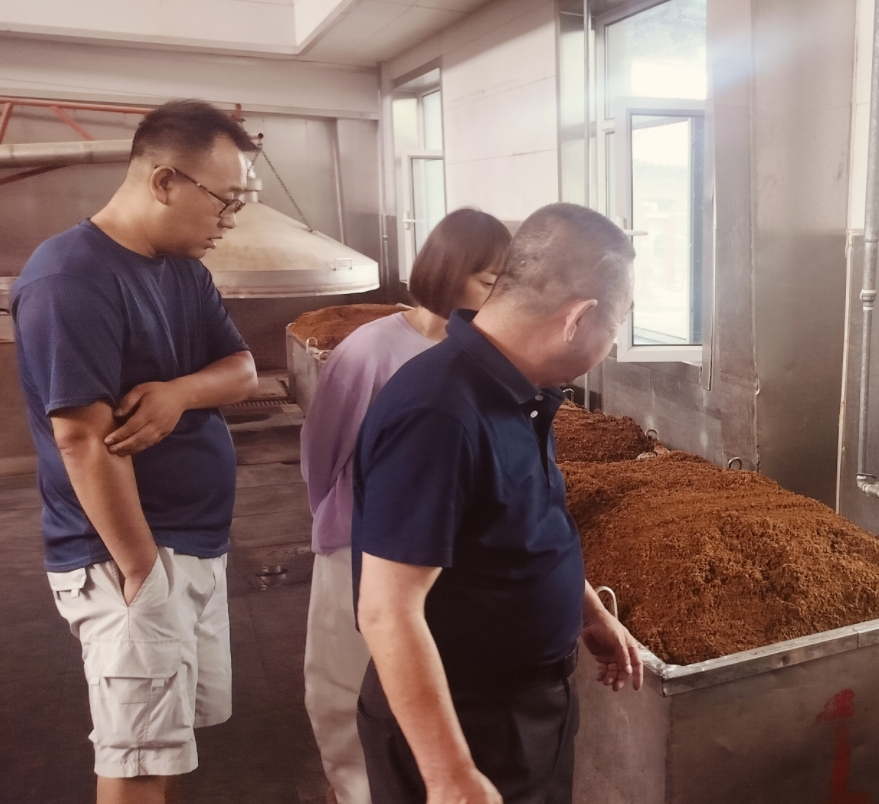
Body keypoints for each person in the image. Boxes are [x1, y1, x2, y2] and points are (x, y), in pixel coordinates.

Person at [9, 100, 259, 804]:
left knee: (165, 744)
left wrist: (180, 392)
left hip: (191, 546)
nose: (230, 219)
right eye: (224, 199)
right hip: (127, 558)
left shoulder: (182, 269)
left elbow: (242, 371)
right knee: (138, 759)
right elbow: (83, 440)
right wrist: (144, 574)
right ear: (164, 181)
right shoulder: (70, 278)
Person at [351, 202, 643, 804]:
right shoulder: (440, 413)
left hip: (523, 709)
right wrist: (449, 774)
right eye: (615, 327)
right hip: (466, 718)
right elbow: (386, 609)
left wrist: (588, 611)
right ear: (577, 318)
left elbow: (525, 525)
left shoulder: (518, 392)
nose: (611, 346)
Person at [300, 208, 511, 804]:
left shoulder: (485, 354)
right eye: (488, 281)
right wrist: (340, 522)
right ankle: (352, 790)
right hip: (358, 540)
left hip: (441, 549)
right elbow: (322, 451)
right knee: (346, 681)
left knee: (417, 681)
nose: (498, 296)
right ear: (447, 272)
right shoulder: (370, 350)